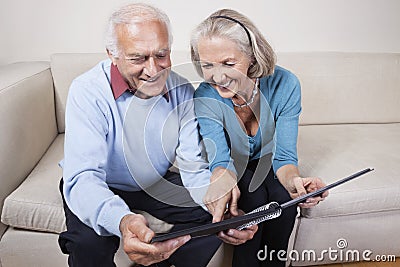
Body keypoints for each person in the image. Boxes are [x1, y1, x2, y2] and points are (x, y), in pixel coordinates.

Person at [58, 4, 256, 267]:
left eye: (161, 55)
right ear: (112, 55)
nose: (153, 70)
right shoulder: (87, 91)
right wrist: (123, 219)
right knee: (87, 245)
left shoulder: (182, 91)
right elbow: (83, 177)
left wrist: (219, 206)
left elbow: (193, 167)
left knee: (217, 218)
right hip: (98, 182)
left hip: (154, 182)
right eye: (138, 58)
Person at [191, 9, 329, 267]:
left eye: (228, 64)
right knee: (252, 198)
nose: (216, 76)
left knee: (284, 197)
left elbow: (285, 158)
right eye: (207, 65)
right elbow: (221, 160)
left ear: (252, 57)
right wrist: (221, 184)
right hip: (236, 165)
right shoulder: (205, 97)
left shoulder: (285, 84)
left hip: (269, 161)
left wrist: (297, 184)